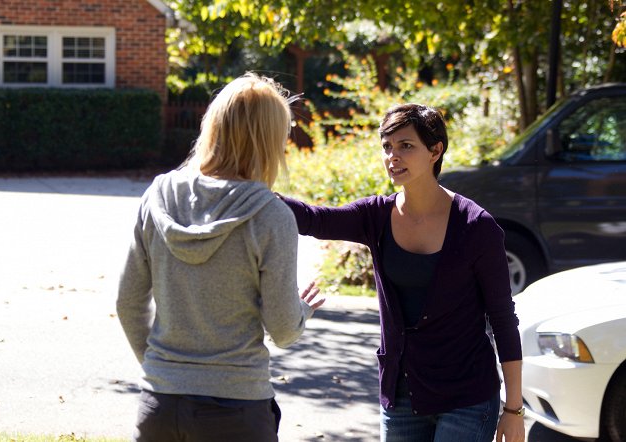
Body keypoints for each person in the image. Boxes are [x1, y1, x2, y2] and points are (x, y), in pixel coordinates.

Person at [278, 103, 525, 442]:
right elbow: (314, 219)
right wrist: (252, 193)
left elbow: (502, 319)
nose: (392, 156)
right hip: (401, 395)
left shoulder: (476, 227)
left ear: (435, 151)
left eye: (406, 146)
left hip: (466, 397)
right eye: (387, 147)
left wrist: (513, 410)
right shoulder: (375, 216)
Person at [116, 72, 325, 442]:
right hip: (237, 410)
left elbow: (128, 301)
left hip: (160, 406)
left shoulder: (158, 197)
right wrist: (302, 311)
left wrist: (162, 368)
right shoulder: (271, 216)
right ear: (270, 140)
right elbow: (283, 329)